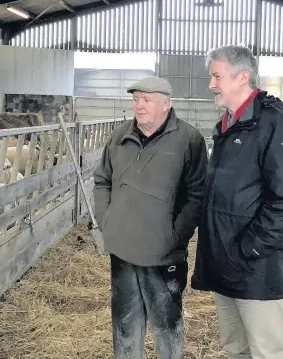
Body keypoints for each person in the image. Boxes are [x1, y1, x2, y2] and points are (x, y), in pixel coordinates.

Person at [190, 45, 283, 359]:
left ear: (242, 77)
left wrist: (250, 248)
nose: (211, 84)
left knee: (266, 351)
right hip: (224, 261)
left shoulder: (272, 124)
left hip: (255, 265)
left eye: (216, 76)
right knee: (235, 349)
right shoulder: (229, 125)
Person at [93, 76, 208, 359]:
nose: (139, 105)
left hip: (162, 254)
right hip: (122, 249)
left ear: (166, 104)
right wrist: (106, 220)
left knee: (166, 327)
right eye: (135, 99)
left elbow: (197, 195)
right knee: (124, 325)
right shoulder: (119, 136)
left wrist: (175, 236)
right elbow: (102, 180)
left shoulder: (188, 140)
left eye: (147, 100)